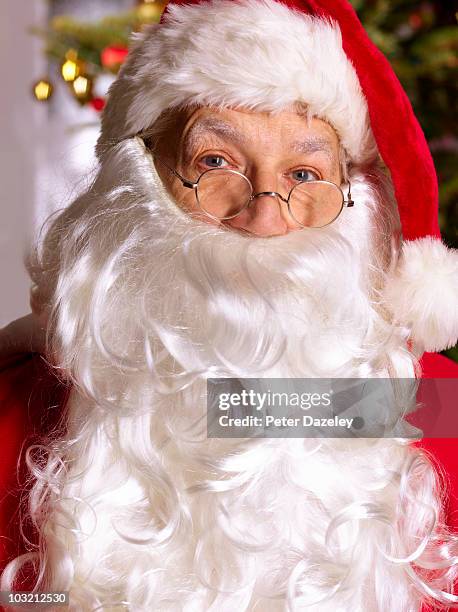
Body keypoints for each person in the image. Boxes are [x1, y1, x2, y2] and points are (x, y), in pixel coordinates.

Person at [1, 0, 457, 609]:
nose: (265, 218)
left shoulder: (434, 410)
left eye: (304, 173)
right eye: (215, 162)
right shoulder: (16, 408)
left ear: (354, 197)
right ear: (139, 178)